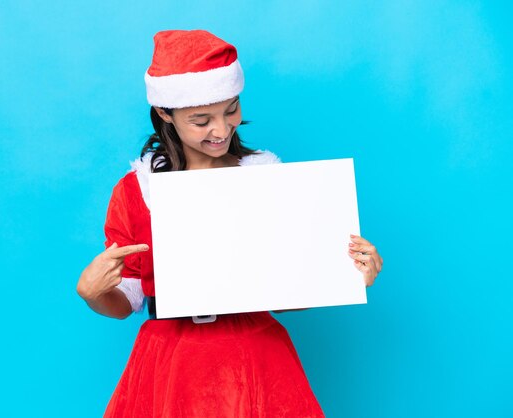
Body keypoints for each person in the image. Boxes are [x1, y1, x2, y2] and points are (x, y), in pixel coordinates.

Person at [76, 29, 383, 417]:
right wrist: (93, 293)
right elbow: (128, 301)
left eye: (231, 110)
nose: (221, 130)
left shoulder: (266, 177)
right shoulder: (138, 190)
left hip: (256, 353)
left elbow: (287, 294)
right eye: (201, 120)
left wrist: (344, 273)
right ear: (165, 114)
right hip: (173, 362)